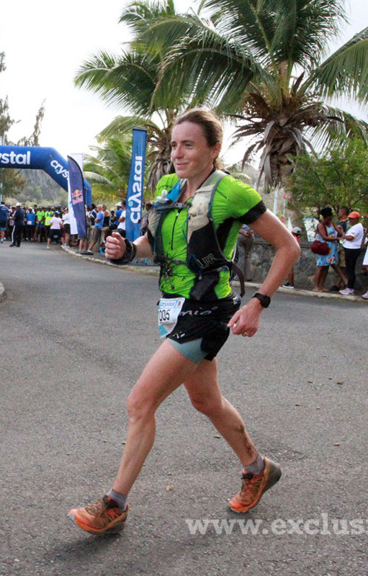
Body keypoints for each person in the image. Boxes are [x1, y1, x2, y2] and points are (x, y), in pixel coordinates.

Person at [68, 108, 300, 535]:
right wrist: (126, 250)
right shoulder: (169, 188)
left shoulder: (231, 192)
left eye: (188, 144)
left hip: (209, 312)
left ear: (213, 150)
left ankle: (114, 504)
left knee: (140, 402)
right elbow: (152, 244)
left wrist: (258, 303)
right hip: (174, 307)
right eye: (174, 144)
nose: (177, 152)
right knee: (206, 401)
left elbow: (288, 246)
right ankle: (257, 467)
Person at [313, 207, 343, 292]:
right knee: (321, 266)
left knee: (326, 267)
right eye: (328, 219)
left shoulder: (332, 224)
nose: (329, 220)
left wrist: (343, 235)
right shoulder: (320, 225)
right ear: (324, 217)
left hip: (332, 248)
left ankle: (321, 286)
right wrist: (336, 238)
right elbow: (324, 237)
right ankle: (316, 286)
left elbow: (339, 231)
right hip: (324, 247)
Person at [339, 212, 364, 296]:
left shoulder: (357, 227)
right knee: (349, 269)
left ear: (357, 219)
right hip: (350, 248)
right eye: (350, 219)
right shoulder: (355, 227)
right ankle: (349, 287)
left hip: (352, 249)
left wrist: (343, 236)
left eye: (352, 219)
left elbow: (350, 237)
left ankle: (350, 288)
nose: (350, 220)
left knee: (350, 269)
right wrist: (342, 233)